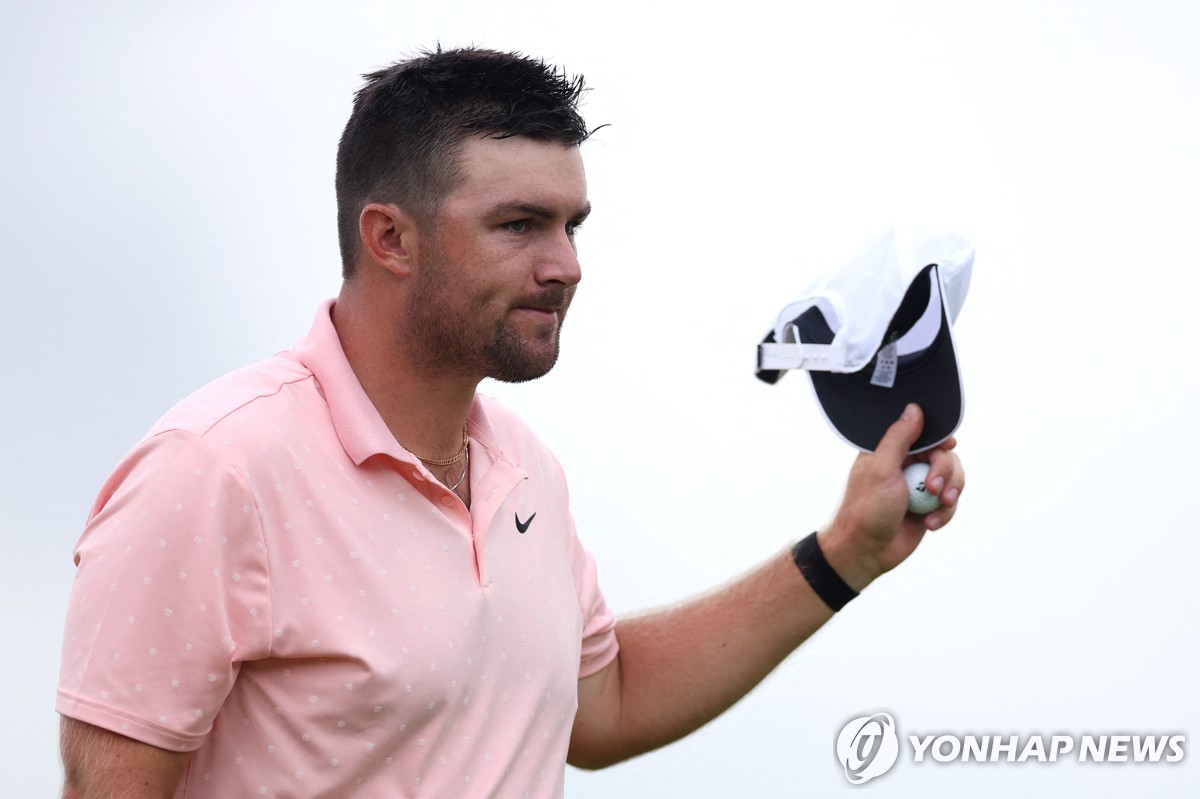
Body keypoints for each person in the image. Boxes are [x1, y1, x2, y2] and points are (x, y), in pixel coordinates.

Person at [57, 47, 965, 798]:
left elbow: (605, 704)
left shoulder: (526, 468)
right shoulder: (214, 469)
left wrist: (845, 552)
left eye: (572, 225)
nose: (566, 264)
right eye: (521, 224)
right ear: (390, 238)